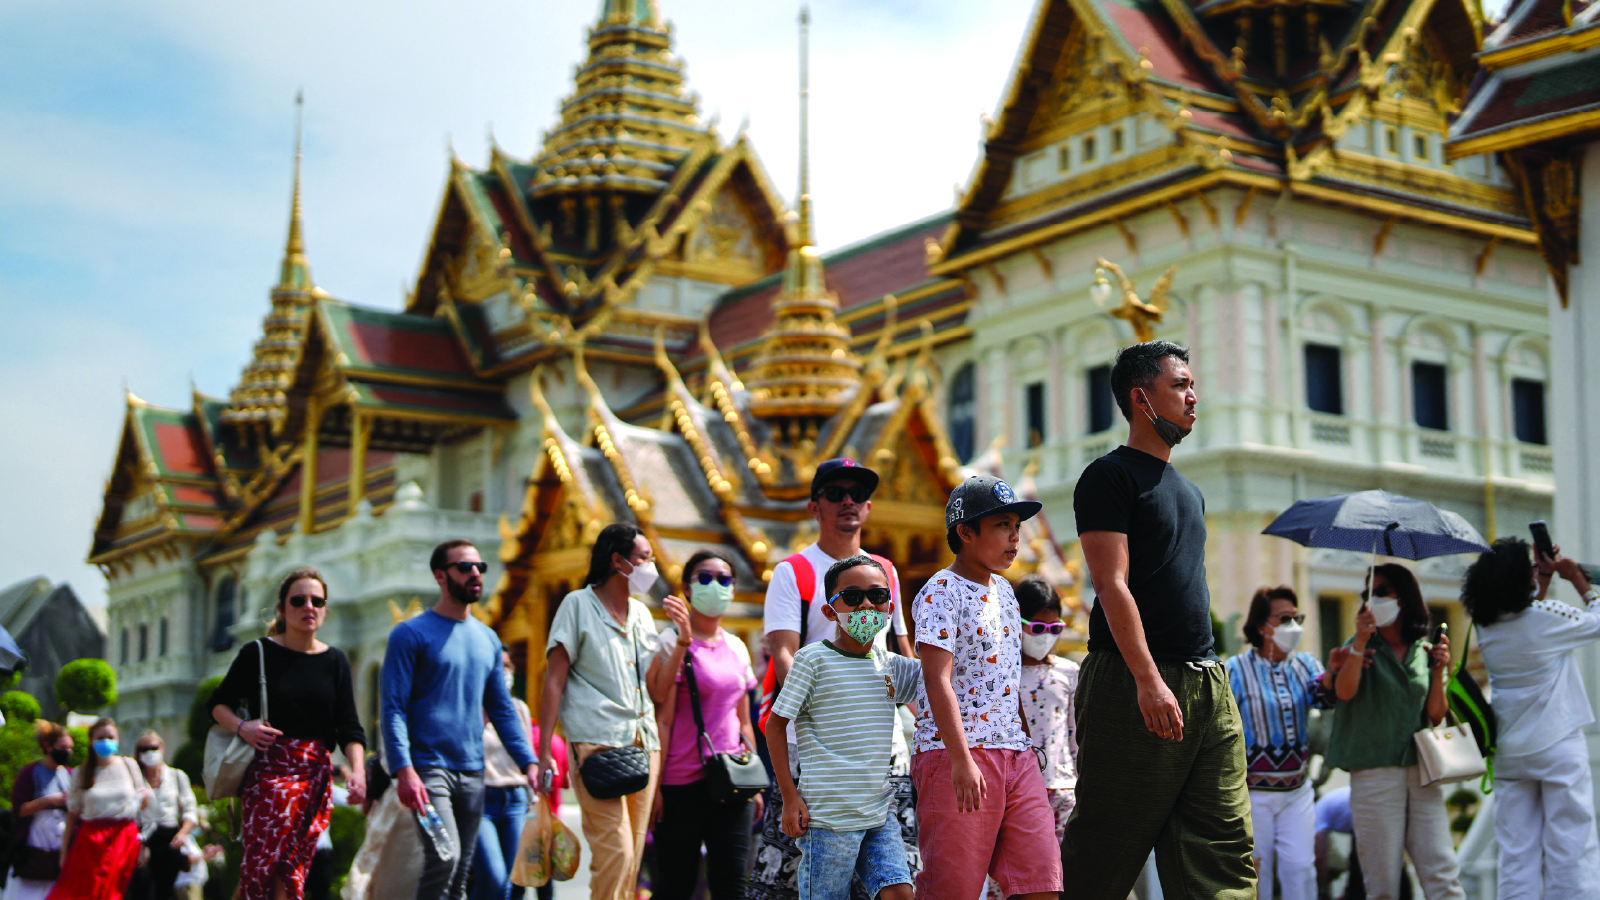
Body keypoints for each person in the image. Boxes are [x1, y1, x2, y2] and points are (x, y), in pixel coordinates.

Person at [1060, 340, 1254, 900]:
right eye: (1180, 386)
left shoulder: (1188, 491)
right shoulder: (1109, 477)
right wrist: (1148, 680)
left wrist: (1200, 681)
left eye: (1193, 385)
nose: (1194, 397)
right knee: (1106, 848)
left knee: (1224, 844)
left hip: (1207, 681)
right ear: (1141, 399)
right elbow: (1110, 583)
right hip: (1132, 680)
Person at [751, 458, 915, 900]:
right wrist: (823, 707)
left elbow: (902, 650)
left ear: (868, 506)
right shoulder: (794, 571)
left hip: (880, 750)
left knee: (895, 881)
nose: (848, 501)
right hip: (818, 749)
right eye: (835, 493)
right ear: (814, 506)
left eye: (857, 494)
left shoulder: (886, 571)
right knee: (799, 879)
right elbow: (784, 652)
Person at [913, 474, 1062, 900]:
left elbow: (1006, 679)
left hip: (1015, 756)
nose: (1015, 537)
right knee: (953, 891)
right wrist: (960, 759)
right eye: (1002, 526)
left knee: (1042, 884)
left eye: (1017, 527)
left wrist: (1026, 749)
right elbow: (935, 678)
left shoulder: (1008, 594)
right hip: (956, 755)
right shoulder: (940, 590)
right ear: (965, 532)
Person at [383, 540, 539, 900]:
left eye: (479, 567)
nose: (475, 574)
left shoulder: (488, 639)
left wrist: (528, 761)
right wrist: (404, 769)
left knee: (460, 877)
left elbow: (501, 708)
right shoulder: (409, 634)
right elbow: (393, 708)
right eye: (464, 567)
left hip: (473, 771)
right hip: (428, 769)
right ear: (440, 576)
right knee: (445, 857)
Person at [766, 555, 921, 900]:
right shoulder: (812, 660)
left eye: (876, 596)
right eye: (852, 597)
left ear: (889, 607)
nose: (866, 604)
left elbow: (942, 685)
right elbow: (775, 727)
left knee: (900, 893)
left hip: (879, 813)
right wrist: (790, 798)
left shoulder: (893, 666)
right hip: (827, 819)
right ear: (829, 611)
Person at [211, 565, 367, 900]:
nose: (308, 607)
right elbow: (218, 703)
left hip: (315, 775)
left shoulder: (335, 660)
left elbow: (349, 724)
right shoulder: (258, 653)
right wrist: (244, 727)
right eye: (298, 600)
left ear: (325, 609)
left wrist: (357, 771)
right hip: (269, 773)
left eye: (316, 600)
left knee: (292, 868)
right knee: (260, 866)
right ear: (282, 608)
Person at [1460, 537, 1600, 900]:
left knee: (1516, 853)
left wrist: (1544, 579)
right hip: (1557, 745)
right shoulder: (1548, 619)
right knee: (1571, 845)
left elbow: (1525, 617)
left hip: (1510, 751)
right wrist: (1578, 580)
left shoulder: (1485, 626)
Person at [536, 523, 661, 900]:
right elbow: (553, 681)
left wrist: (684, 641)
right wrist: (543, 751)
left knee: (632, 857)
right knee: (615, 853)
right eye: (644, 558)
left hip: (645, 743)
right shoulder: (578, 605)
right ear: (618, 561)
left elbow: (654, 687)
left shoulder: (643, 614)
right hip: (595, 743)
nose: (651, 567)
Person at [1326, 564, 1461, 900]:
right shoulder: (1357, 645)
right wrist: (1358, 641)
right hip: (1375, 772)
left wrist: (1440, 671)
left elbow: (1435, 714)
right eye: (1368, 593)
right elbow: (1343, 693)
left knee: (1442, 875)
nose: (1373, 599)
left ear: (1404, 596)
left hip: (1422, 769)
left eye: (1382, 591)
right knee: (1382, 883)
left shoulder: (1424, 650)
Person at [646, 549, 761, 900]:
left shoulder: (739, 648)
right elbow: (660, 712)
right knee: (675, 886)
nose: (716, 586)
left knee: (731, 886)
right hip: (680, 784)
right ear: (687, 587)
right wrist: (656, 786)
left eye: (724, 580)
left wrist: (754, 781)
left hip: (731, 781)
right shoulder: (669, 642)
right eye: (706, 578)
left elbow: (743, 721)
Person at [1225, 586, 1341, 900]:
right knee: (1254, 872)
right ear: (1262, 626)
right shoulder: (1234, 670)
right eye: (1285, 618)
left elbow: (1327, 699)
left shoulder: (1306, 664)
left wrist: (1333, 670)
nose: (1294, 625)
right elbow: (1219, 727)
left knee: (1300, 868)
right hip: (1253, 794)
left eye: (1297, 617)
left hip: (1296, 792)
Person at [985, 573, 1079, 900]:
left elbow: (1074, 734)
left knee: (1065, 879)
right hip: (1014, 794)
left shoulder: (1069, 673)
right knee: (1009, 878)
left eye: (1055, 629)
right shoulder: (996, 673)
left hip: (1064, 790)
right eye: (1037, 628)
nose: (1045, 636)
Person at [48, 717, 149, 900]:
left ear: (118, 739)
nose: (106, 741)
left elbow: (142, 806)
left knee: (118, 891)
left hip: (124, 838)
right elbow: (72, 815)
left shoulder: (129, 765)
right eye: (101, 737)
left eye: (111, 737)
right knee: (87, 892)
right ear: (92, 741)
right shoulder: (81, 772)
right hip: (91, 841)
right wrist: (64, 853)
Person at [472, 651, 535, 900]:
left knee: (514, 882)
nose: (506, 673)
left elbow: (525, 751)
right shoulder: (471, 706)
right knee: (493, 878)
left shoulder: (519, 709)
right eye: (501, 667)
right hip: (481, 799)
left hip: (516, 798)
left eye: (509, 666)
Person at [8, 722, 74, 900]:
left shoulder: (70, 774)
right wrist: (48, 800)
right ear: (48, 746)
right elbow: (20, 810)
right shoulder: (31, 772)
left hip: (60, 848)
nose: (67, 751)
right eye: (63, 747)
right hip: (34, 849)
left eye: (70, 748)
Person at [127, 731, 197, 900]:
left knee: (165, 891)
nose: (149, 752)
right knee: (142, 888)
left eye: (153, 747)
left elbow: (190, 810)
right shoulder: (132, 779)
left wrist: (182, 834)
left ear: (162, 748)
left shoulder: (176, 776)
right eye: (144, 749)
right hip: (143, 837)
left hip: (169, 838)